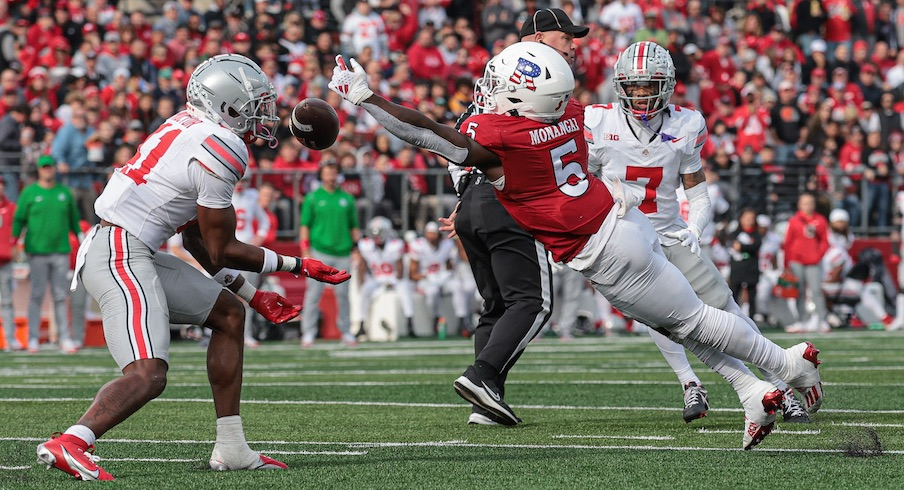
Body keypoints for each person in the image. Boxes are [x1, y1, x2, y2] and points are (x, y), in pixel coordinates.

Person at [328, 42, 824, 450]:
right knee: (679, 320)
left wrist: (367, 99)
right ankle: (752, 390)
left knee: (692, 320)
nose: (489, 93)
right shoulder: (570, 112)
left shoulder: (501, 133)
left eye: (499, 88)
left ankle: (788, 364)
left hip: (605, 251)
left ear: (522, 98)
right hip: (623, 224)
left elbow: (424, 133)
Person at [36, 54, 351, 481]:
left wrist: (252, 296)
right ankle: (71, 441)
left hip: (130, 248)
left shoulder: (190, 126)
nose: (265, 113)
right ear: (227, 104)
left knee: (228, 314)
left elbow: (197, 240)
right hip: (119, 253)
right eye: (255, 103)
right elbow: (221, 248)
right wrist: (297, 264)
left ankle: (233, 448)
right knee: (148, 374)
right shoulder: (222, 144)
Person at [585, 41, 809, 425]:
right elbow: (580, 183)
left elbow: (698, 193)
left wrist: (694, 228)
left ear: (667, 85)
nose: (640, 94)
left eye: (648, 85)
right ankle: (691, 383)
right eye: (633, 86)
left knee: (725, 308)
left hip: (670, 234)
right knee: (665, 320)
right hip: (624, 238)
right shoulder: (597, 123)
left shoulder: (685, 124)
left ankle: (782, 384)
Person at [441, 7, 588, 425]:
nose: (573, 46)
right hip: (513, 197)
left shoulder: (496, 75)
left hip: (476, 198)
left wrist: (465, 195)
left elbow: (463, 135)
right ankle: (482, 377)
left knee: (496, 305)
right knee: (533, 302)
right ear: (540, 38)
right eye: (566, 37)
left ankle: (484, 404)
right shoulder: (536, 76)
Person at [13, 155, 81, 353]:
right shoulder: (29, 193)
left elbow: (74, 221)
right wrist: (15, 241)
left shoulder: (64, 193)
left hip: (61, 249)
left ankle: (64, 338)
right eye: (44, 167)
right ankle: (33, 338)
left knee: (60, 296)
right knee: (36, 295)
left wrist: (82, 240)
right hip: (36, 251)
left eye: (50, 167)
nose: (47, 170)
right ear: (39, 170)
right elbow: (19, 220)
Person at [299, 160, 360, 348]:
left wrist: (356, 249)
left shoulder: (347, 199)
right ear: (321, 175)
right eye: (327, 172)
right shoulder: (312, 197)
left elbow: (354, 227)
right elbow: (304, 226)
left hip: (343, 251)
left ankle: (346, 331)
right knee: (313, 294)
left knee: (343, 295)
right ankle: (308, 332)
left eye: (334, 172)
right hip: (319, 251)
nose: (331, 176)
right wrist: (305, 250)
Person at [357, 215, 415, 338]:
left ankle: (409, 322)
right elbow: (361, 266)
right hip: (376, 279)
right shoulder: (365, 245)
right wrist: (361, 283)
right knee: (365, 291)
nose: (376, 235)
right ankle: (362, 325)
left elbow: (400, 269)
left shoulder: (395, 244)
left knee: (405, 288)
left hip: (393, 278)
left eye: (380, 232)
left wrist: (393, 281)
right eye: (373, 232)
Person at [409, 221, 470, 335]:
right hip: (426, 280)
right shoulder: (418, 246)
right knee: (433, 292)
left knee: (458, 285)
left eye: (434, 233)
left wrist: (447, 273)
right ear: (425, 234)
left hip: (442, 278)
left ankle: (462, 320)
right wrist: (427, 276)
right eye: (430, 233)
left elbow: (449, 266)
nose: (432, 236)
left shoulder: (446, 244)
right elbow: (412, 274)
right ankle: (435, 319)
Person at [232, 175, 271, 348]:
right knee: (220, 296)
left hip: (245, 250)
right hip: (225, 250)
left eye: (244, 180)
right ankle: (214, 334)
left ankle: (246, 335)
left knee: (247, 295)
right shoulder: (222, 193)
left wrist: (258, 239)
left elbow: (265, 221)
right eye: (239, 179)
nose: (241, 183)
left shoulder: (251, 197)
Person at [783, 193, 831, 333]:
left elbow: (824, 241)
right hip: (797, 261)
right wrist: (787, 263)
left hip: (813, 261)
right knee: (798, 292)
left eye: (810, 202)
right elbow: (788, 243)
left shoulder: (820, 220)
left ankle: (823, 320)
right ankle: (801, 321)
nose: (808, 206)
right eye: (805, 203)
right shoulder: (794, 220)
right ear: (799, 205)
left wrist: (818, 255)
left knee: (816, 290)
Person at [0, 177, 18, 351]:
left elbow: (17, 229)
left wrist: (14, 246)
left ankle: (10, 339)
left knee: (6, 302)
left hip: (5, 261)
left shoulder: (11, 207)